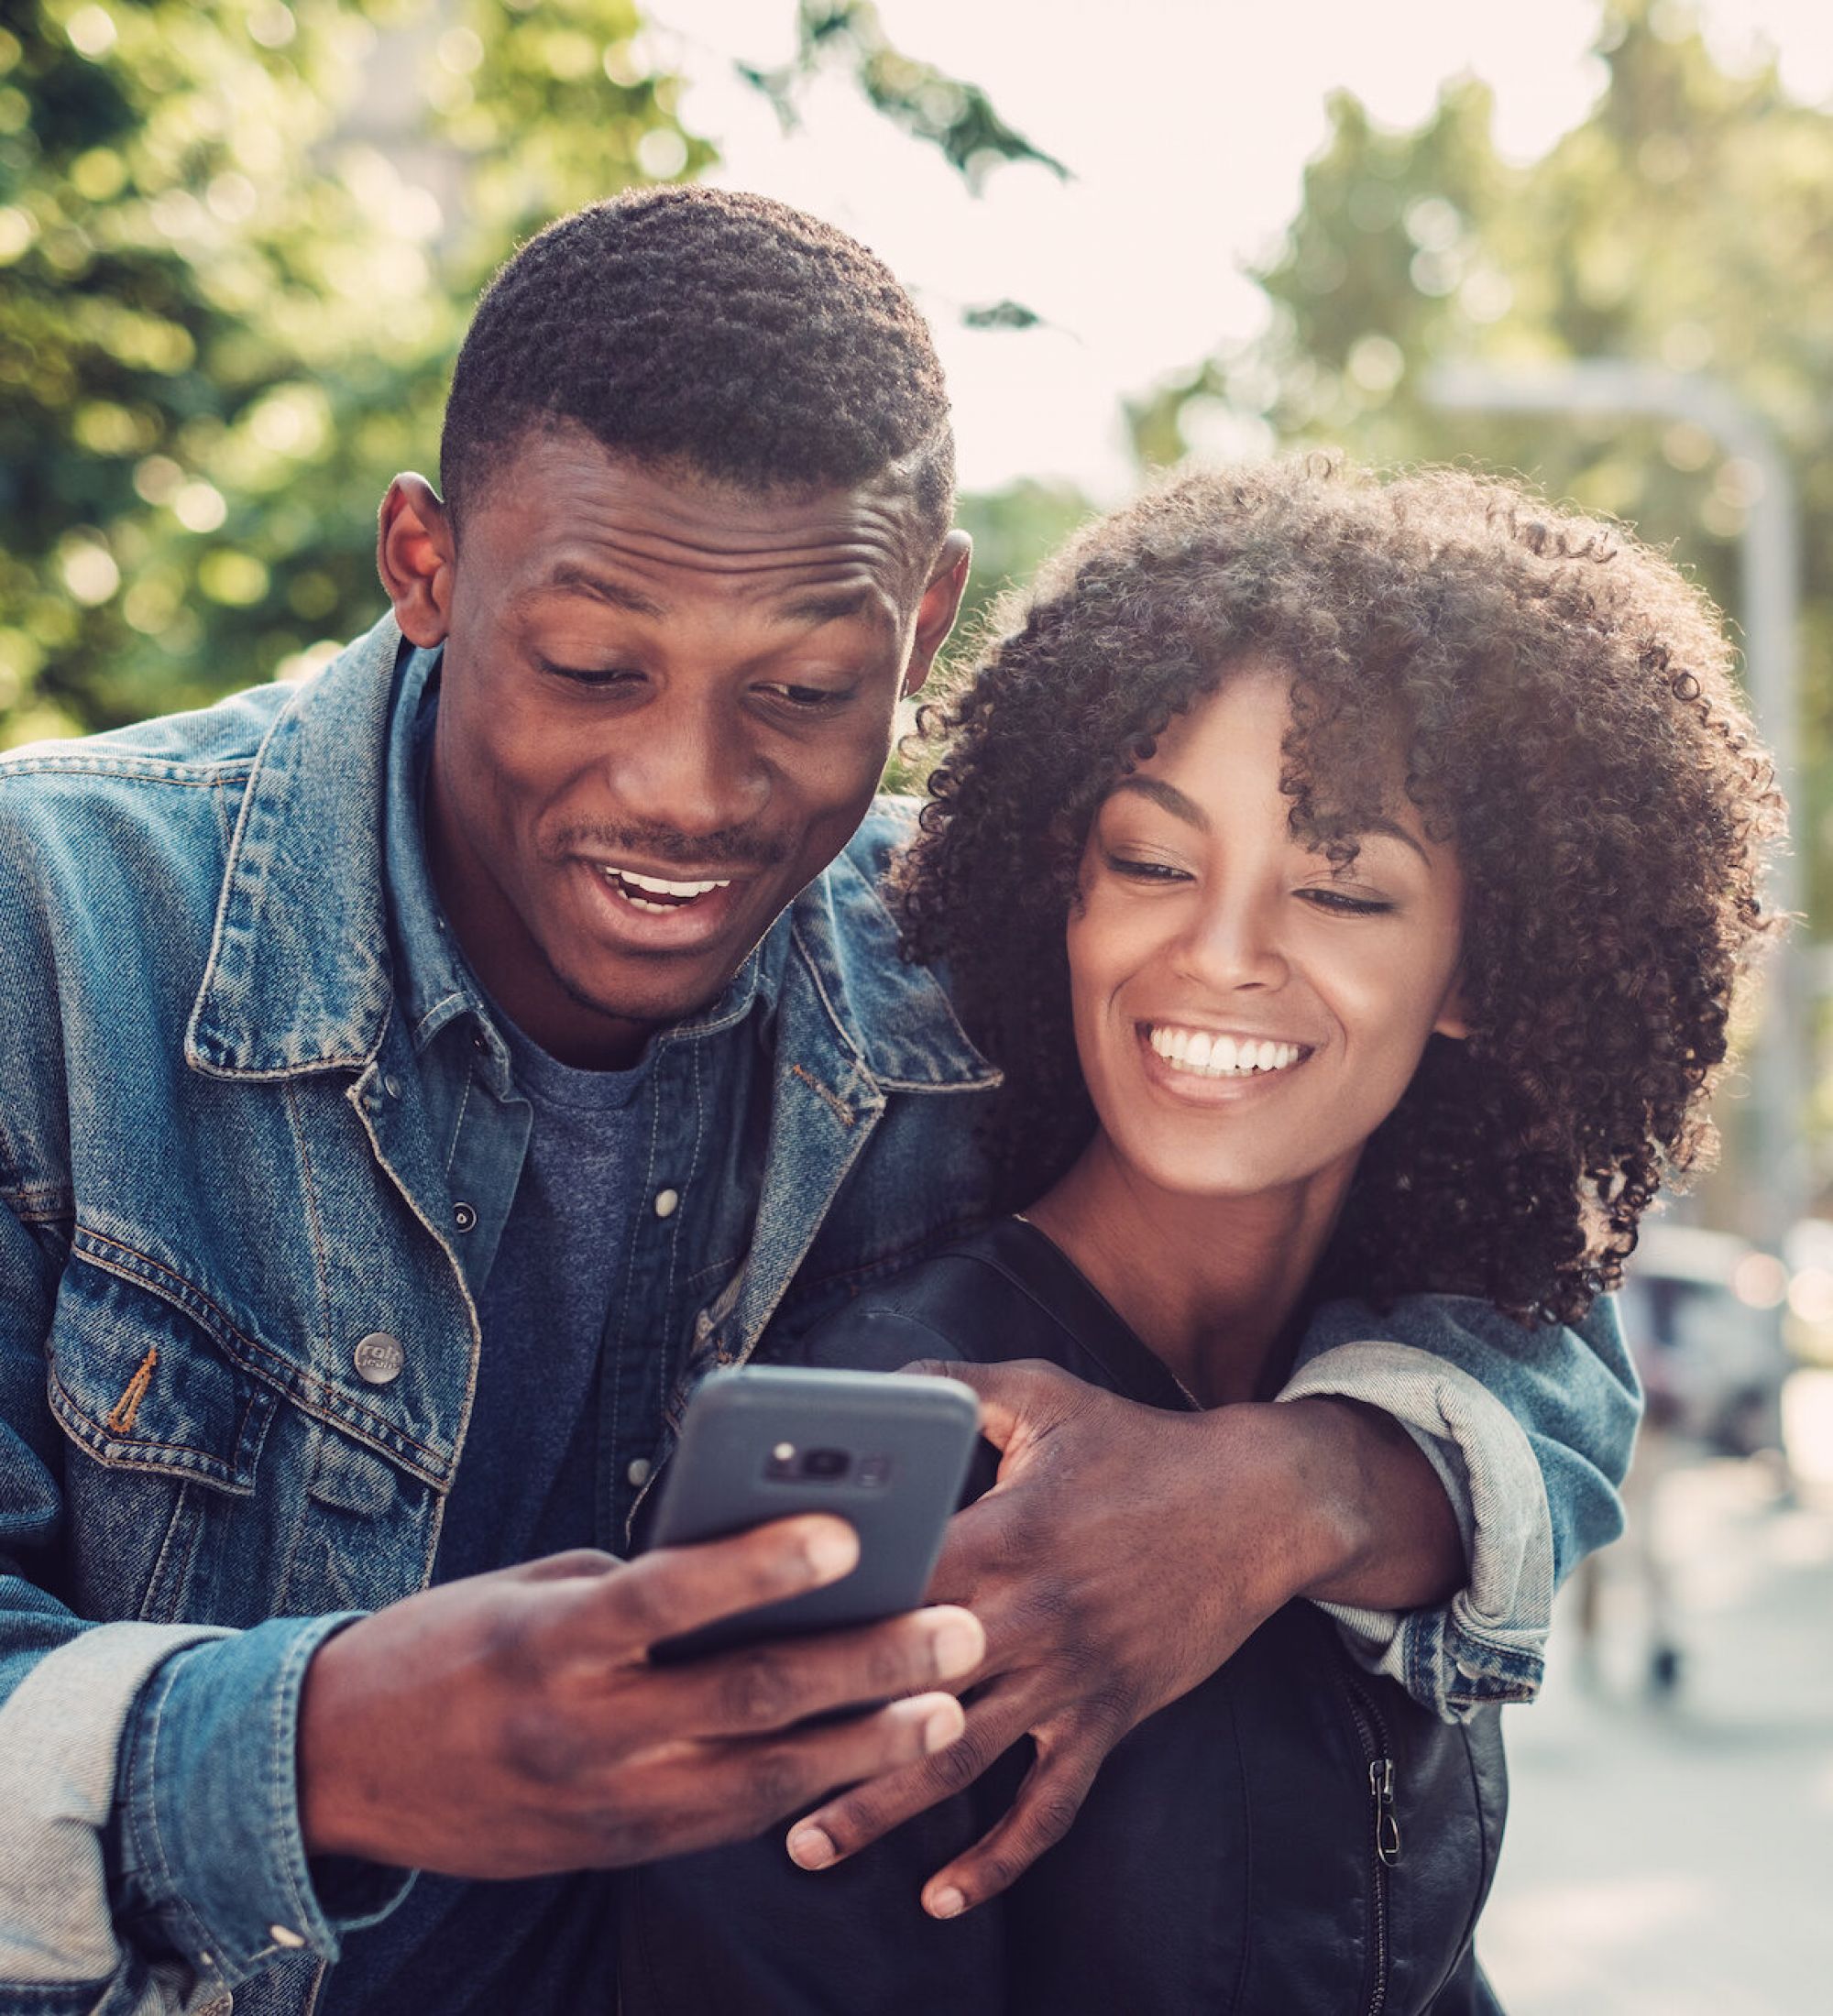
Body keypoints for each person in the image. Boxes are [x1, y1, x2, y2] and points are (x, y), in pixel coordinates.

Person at [0, 193, 1635, 2016]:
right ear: (424, 564)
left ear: (922, 617)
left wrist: (1279, 1490)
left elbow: (1518, 1293)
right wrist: (329, 1748)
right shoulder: (50, 930)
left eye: (803, 687)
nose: (689, 789)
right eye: (592, 667)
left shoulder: (981, 959)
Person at [623, 458, 1781, 2013]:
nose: (1220, 955)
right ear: (1067, 890)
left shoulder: (1400, 1437)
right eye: (1153, 862)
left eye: (1342, 890)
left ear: (1480, 971)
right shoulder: (878, 1450)